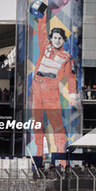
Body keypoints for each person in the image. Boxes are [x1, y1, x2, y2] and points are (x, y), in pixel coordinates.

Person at [31, 12, 79, 162]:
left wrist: (72, 95)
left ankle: (61, 160)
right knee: (37, 123)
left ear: (63, 40)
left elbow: (71, 78)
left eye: (60, 38)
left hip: (51, 90)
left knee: (57, 124)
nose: (57, 40)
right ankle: (39, 155)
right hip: (37, 87)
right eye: (55, 38)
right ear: (51, 39)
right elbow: (41, 29)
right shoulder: (45, 46)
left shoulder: (66, 57)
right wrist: (42, 13)